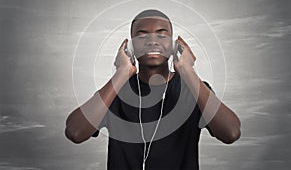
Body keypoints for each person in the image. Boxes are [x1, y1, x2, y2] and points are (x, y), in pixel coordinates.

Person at [65, 9, 241, 170]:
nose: (152, 41)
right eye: (142, 36)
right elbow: (75, 132)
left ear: (174, 45)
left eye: (161, 35)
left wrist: (187, 70)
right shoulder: (115, 92)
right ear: (130, 46)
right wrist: (122, 73)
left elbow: (231, 133)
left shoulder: (193, 89)